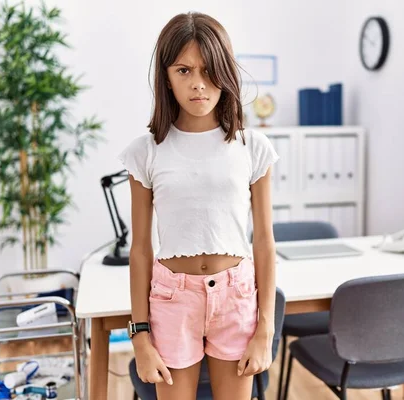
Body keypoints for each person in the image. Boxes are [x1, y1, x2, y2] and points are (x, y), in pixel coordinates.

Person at [117, 11, 279, 400]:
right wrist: (140, 336)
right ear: (166, 77)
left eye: (208, 71)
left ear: (225, 73)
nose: (198, 85)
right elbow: (140, 249)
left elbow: (265, 243)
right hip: (173, 300)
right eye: (184, 70)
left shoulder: (252, 148)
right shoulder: (146, 152)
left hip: (237, 296)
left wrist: (265, 329)